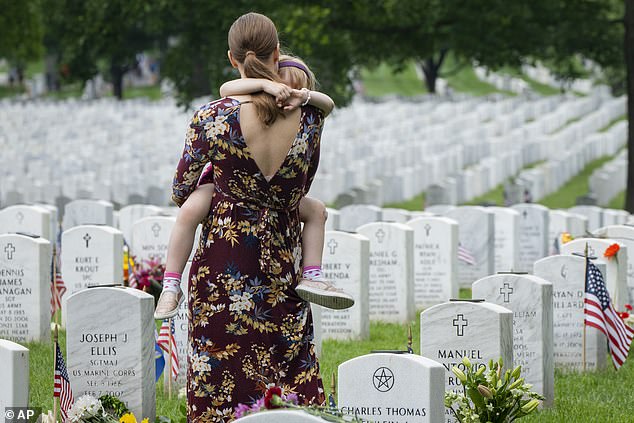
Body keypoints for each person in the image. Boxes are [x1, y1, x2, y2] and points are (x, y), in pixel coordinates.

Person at [171, 12, 326, 421]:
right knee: (287, 376)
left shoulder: (211, 118)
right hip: (280, 264)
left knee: (219, 384)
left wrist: (215, 185)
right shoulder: (310, 119)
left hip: (222, 268)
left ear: (231, 59)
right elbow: (303, 186)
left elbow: (180, 190)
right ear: (278, 53)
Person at [155, 54, 354, 320]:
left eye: (298, 89)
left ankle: (313, 274)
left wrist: (302, 97)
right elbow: (227, 89)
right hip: (221, 185)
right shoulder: (297, 116)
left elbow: (326, 104)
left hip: (244, 199)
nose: (286, 96)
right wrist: (268, 87)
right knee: (190, 211)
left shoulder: (299, 111)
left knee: (317, 210)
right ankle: (170, 283)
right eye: (284, 86)